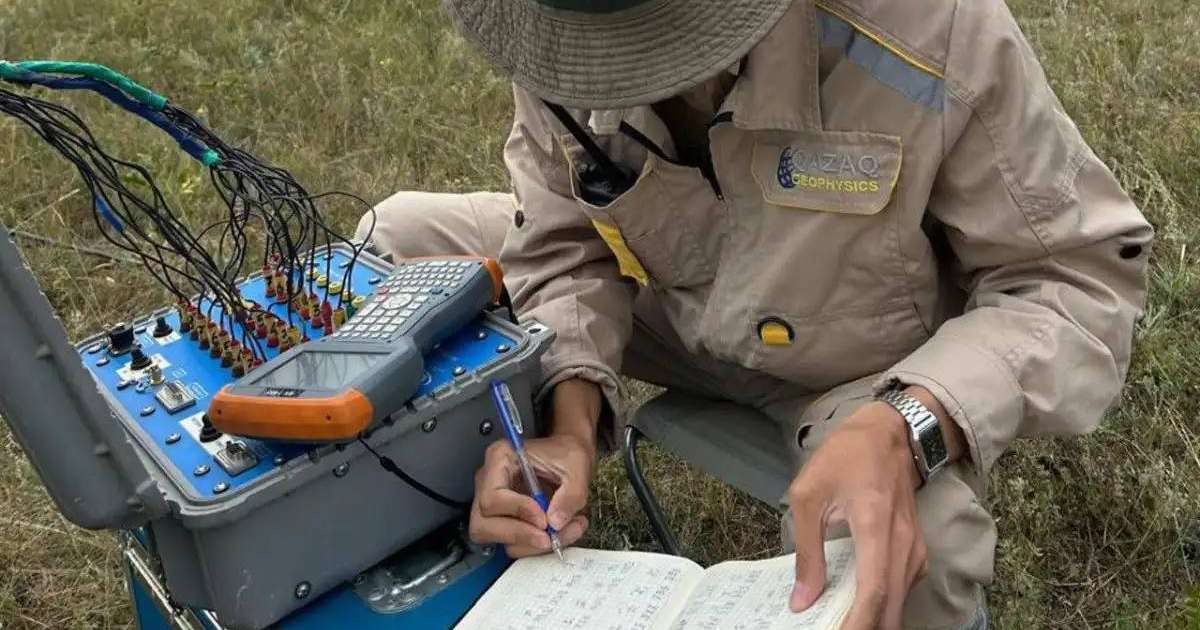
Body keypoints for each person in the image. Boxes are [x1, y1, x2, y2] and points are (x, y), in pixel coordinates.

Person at [359, 1, 1153, 628]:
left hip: (864, 376)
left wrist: (907, 423)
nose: (620, 65)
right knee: (395, 247)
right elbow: (564, 239)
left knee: (906, 558)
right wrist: (569, 422)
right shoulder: (558, 30)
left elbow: (1074, 275)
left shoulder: (929, 25)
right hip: (666, 302)